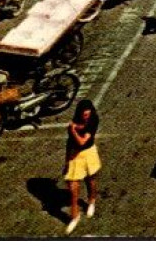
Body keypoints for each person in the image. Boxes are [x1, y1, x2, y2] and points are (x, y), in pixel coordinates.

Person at [64, 99, 101, 233]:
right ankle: (75, 216)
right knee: (73, 187)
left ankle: (91, 201)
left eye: (87, 114)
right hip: (75, 155)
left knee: (90, 180)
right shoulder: (76, 121)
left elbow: (81, 142)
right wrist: (67, 162)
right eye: (84, 114)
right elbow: (70, 143)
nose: (86, 116)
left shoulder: (93, 121)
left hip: (88, 153)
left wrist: (73, 129)